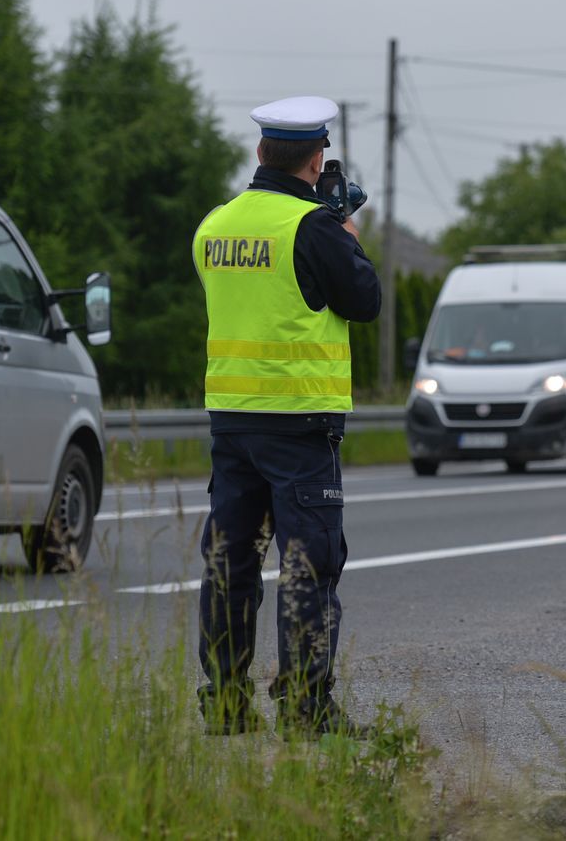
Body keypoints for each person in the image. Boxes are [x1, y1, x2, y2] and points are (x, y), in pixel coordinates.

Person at [192, 96, 380, 738]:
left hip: (231, 421)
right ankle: (306, 708)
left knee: (230, 563)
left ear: (260, 152)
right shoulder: (315, 227)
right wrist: (344, 229)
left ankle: (224, 704)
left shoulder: (214, 226)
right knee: (310, 563)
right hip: (299, 421)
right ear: (317, 158)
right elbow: (364, 301)